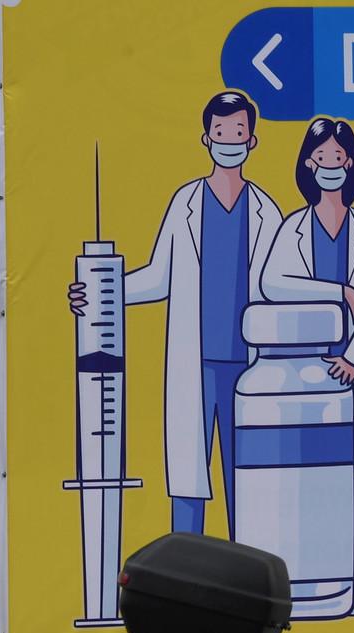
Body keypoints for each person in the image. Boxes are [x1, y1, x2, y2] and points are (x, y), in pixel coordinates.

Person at [68, 90, 281, 538]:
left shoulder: (267, 211)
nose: (229, 140)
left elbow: (279, 284)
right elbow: (158, 277)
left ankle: (253, 580)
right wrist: (101, 291)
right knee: (188, 480)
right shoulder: (187, 202)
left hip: (250, 366)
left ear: (252, 141)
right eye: (221, 131)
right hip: (197, 363)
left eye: (238, 132)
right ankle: (186, 579)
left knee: (248, 478)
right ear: (206, 138)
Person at [260, 117, 354, 615]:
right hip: (299, 372)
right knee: (305, 476)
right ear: (307, 166)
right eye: (321, 159)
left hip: (350, 372)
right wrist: (336, 291)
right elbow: (273, 282)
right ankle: (304, 583)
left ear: (351, 164)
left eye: (338, 159)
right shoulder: (292, 227)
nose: (330, 167)